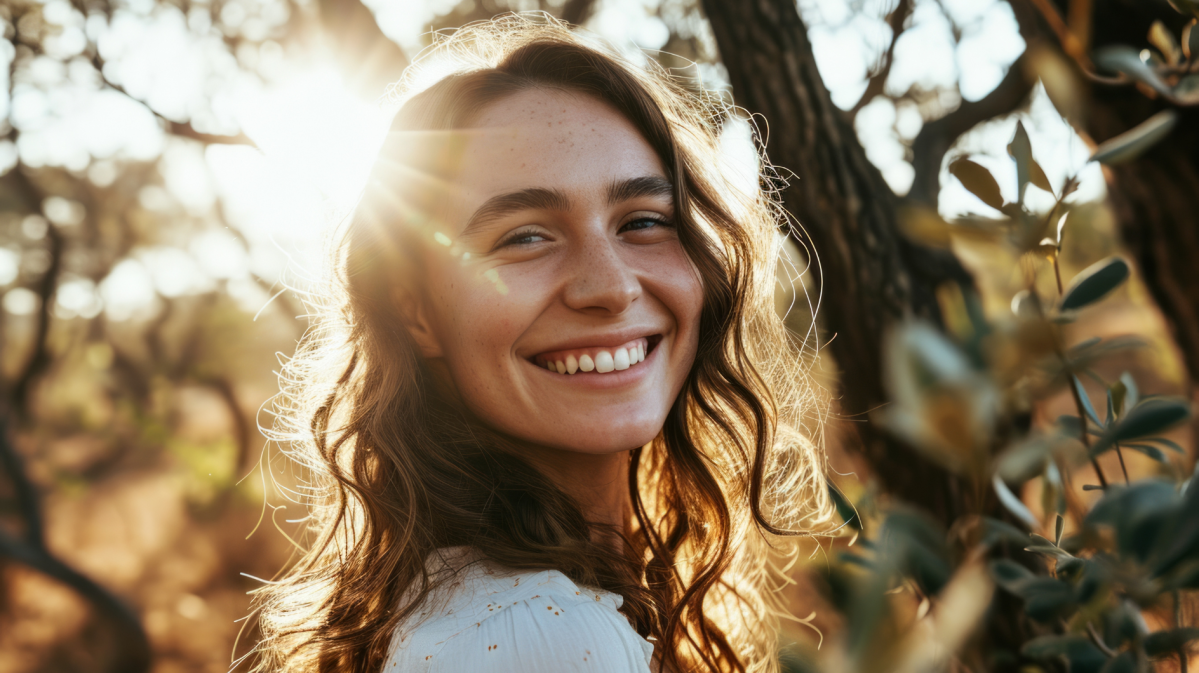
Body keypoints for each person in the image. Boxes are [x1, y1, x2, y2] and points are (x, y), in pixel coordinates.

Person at [251, 13, 830, 673]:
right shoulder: (542, 634)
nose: (609, 287)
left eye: (642, 220)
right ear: (416, 313)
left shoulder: (496, 596)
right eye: (524, 235)